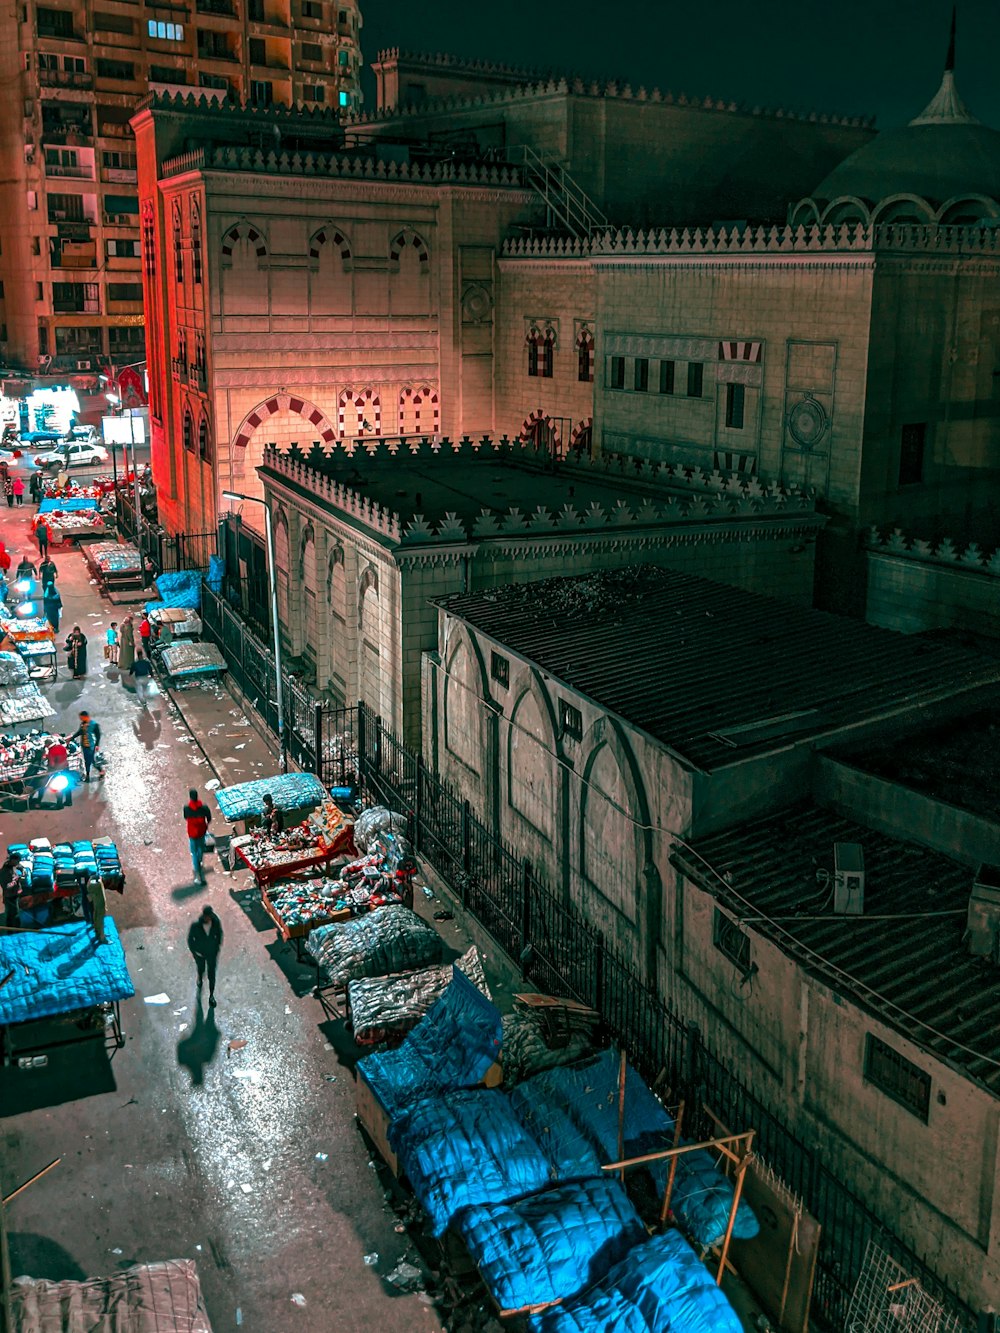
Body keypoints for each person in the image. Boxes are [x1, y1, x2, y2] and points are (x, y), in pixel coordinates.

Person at [188, 905, 222, 1005]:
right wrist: (195, 952)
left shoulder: (216, 922)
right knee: (201, 969)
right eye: (207, 917)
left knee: (212, 975)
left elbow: (219, 934)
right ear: (204, 916)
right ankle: (200, 978)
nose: (209, 919)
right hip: (200, 954)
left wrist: (217, 948)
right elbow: (190, 940)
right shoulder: (196, 926)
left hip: (212, 954)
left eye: (210, 917)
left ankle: (211, 996)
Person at [183, 788, 213, 884]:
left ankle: (197, 871)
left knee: (194, 852)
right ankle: (199, 862)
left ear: (190, 797)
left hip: (192, 833)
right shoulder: (204, 808)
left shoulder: (186, 808)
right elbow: (209, 818)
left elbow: (185, 817)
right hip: (201, 832)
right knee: (200, 849)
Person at [69, 710, 101, 781]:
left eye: (81, 717)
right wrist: (72, 738)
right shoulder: (82, 724)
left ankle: (97, 773)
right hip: (84, 746)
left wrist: (97, 745)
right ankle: (89, 775)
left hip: (91, 746)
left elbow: (98, 735)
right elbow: (80, 732)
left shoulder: (94, 724)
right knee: (87, 761)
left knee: (91, 761)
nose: (80, 719)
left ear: (85, 717)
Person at [1, 851, 22, 928]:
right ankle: (13, 930)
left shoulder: (13, 866)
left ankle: (15, 927)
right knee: (12, 914)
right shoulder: (4, 872)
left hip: (15, 894)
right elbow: (6, 886)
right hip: (10, 896)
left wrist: (22, 871)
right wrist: (16, 880)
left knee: (14, 913)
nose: (18, 863)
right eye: (18, 861)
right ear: (13, 860)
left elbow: (19, 868)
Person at [86, 872, 107, 946]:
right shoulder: (97, 885)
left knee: (96, 918)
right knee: (100, 921)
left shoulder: (92, 884)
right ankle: (102, 937)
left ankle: (97, 932)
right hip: (100, 905)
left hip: (97, 904)